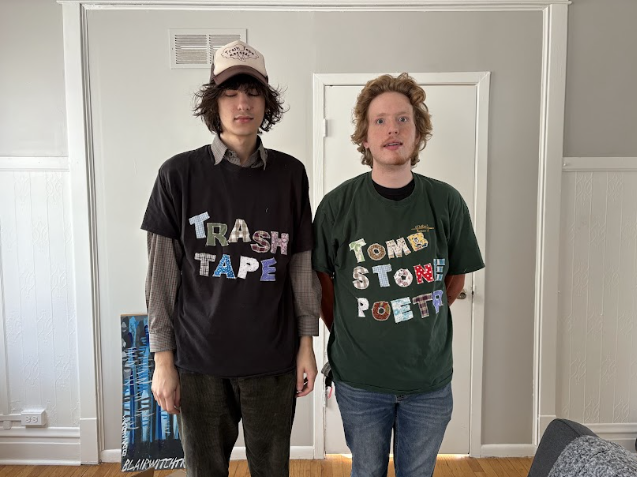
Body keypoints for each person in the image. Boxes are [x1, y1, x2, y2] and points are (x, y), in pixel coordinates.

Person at [141, 40, 319, 477]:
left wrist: (307, 345)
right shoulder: (177, 175)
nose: (243, 103)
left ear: (266, 102)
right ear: (213, 102)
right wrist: (162, 361)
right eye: (230, 93)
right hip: (199, 363)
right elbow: (161, 278)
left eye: (253, 92)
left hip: (273, 362)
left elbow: (300, 266)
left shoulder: (290, 174)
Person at [312, 73, 485, 477]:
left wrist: (421, 311)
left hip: (429, 382)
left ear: (418, 133)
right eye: (380, 121)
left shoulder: (446, 201)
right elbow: (322, 282)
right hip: (359, 381)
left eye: (403, 119)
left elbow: (454, 278)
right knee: (366, 472)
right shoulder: (337, 205)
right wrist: (351, 329)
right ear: (364, 138)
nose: (392, 129)